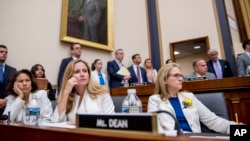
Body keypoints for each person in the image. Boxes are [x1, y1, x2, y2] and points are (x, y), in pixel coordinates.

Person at [147, 63, 237, 134]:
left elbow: (212, 121)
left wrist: (238, 129)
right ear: (164, 80)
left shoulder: (189, 97)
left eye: (181, 75)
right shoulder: (155, 100)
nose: (181, 79)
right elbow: (156, 130)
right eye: (176, 75)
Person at [52, 59, 114, 123]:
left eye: (85, 71)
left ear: (89, 75)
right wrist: (66, 92)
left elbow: (111, 121)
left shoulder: (102, 93)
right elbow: (55, 122)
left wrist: (82, 122)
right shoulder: (68, 95)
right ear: (69, 77)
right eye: (77, 72)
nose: (82, 74)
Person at [0, 45, 17, 116]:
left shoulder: (13, 70)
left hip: (8, 105)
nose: (4, 53)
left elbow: (15, 88)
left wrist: (6, 100)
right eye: (1, 52)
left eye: (6, 52)